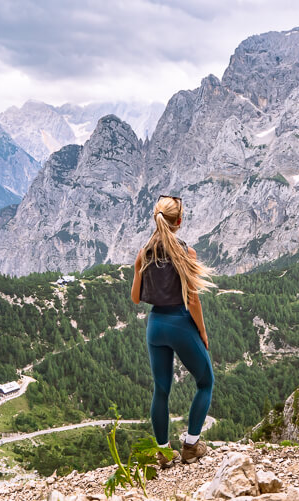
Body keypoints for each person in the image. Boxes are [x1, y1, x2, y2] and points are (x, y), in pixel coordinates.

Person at [131, 195, 215, 468]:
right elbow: (192, 300)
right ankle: (191, 446)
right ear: (179, 221)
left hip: (155, 325)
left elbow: (135, 298)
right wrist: (201, 332)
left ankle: (163, 453)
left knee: (161, 389)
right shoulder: (186, 253)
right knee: (205, 382)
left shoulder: (143, 254)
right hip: (180, 322)